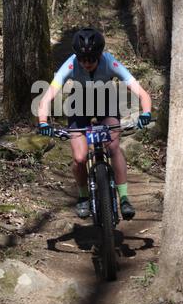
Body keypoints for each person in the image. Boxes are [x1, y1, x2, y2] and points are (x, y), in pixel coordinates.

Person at [37, 27, 152, 220]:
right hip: (79, 105)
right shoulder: (71, 65)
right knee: (80, 158)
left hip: (106, 102)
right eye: (82, 59)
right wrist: (42, 122)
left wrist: (146, 112)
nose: (86, 63)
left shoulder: (110, 62)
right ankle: (83, 197)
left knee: (114, 147)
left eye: (91, 59)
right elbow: (47, 96)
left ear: (99, 55)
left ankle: (124, 198)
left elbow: (141, 93)